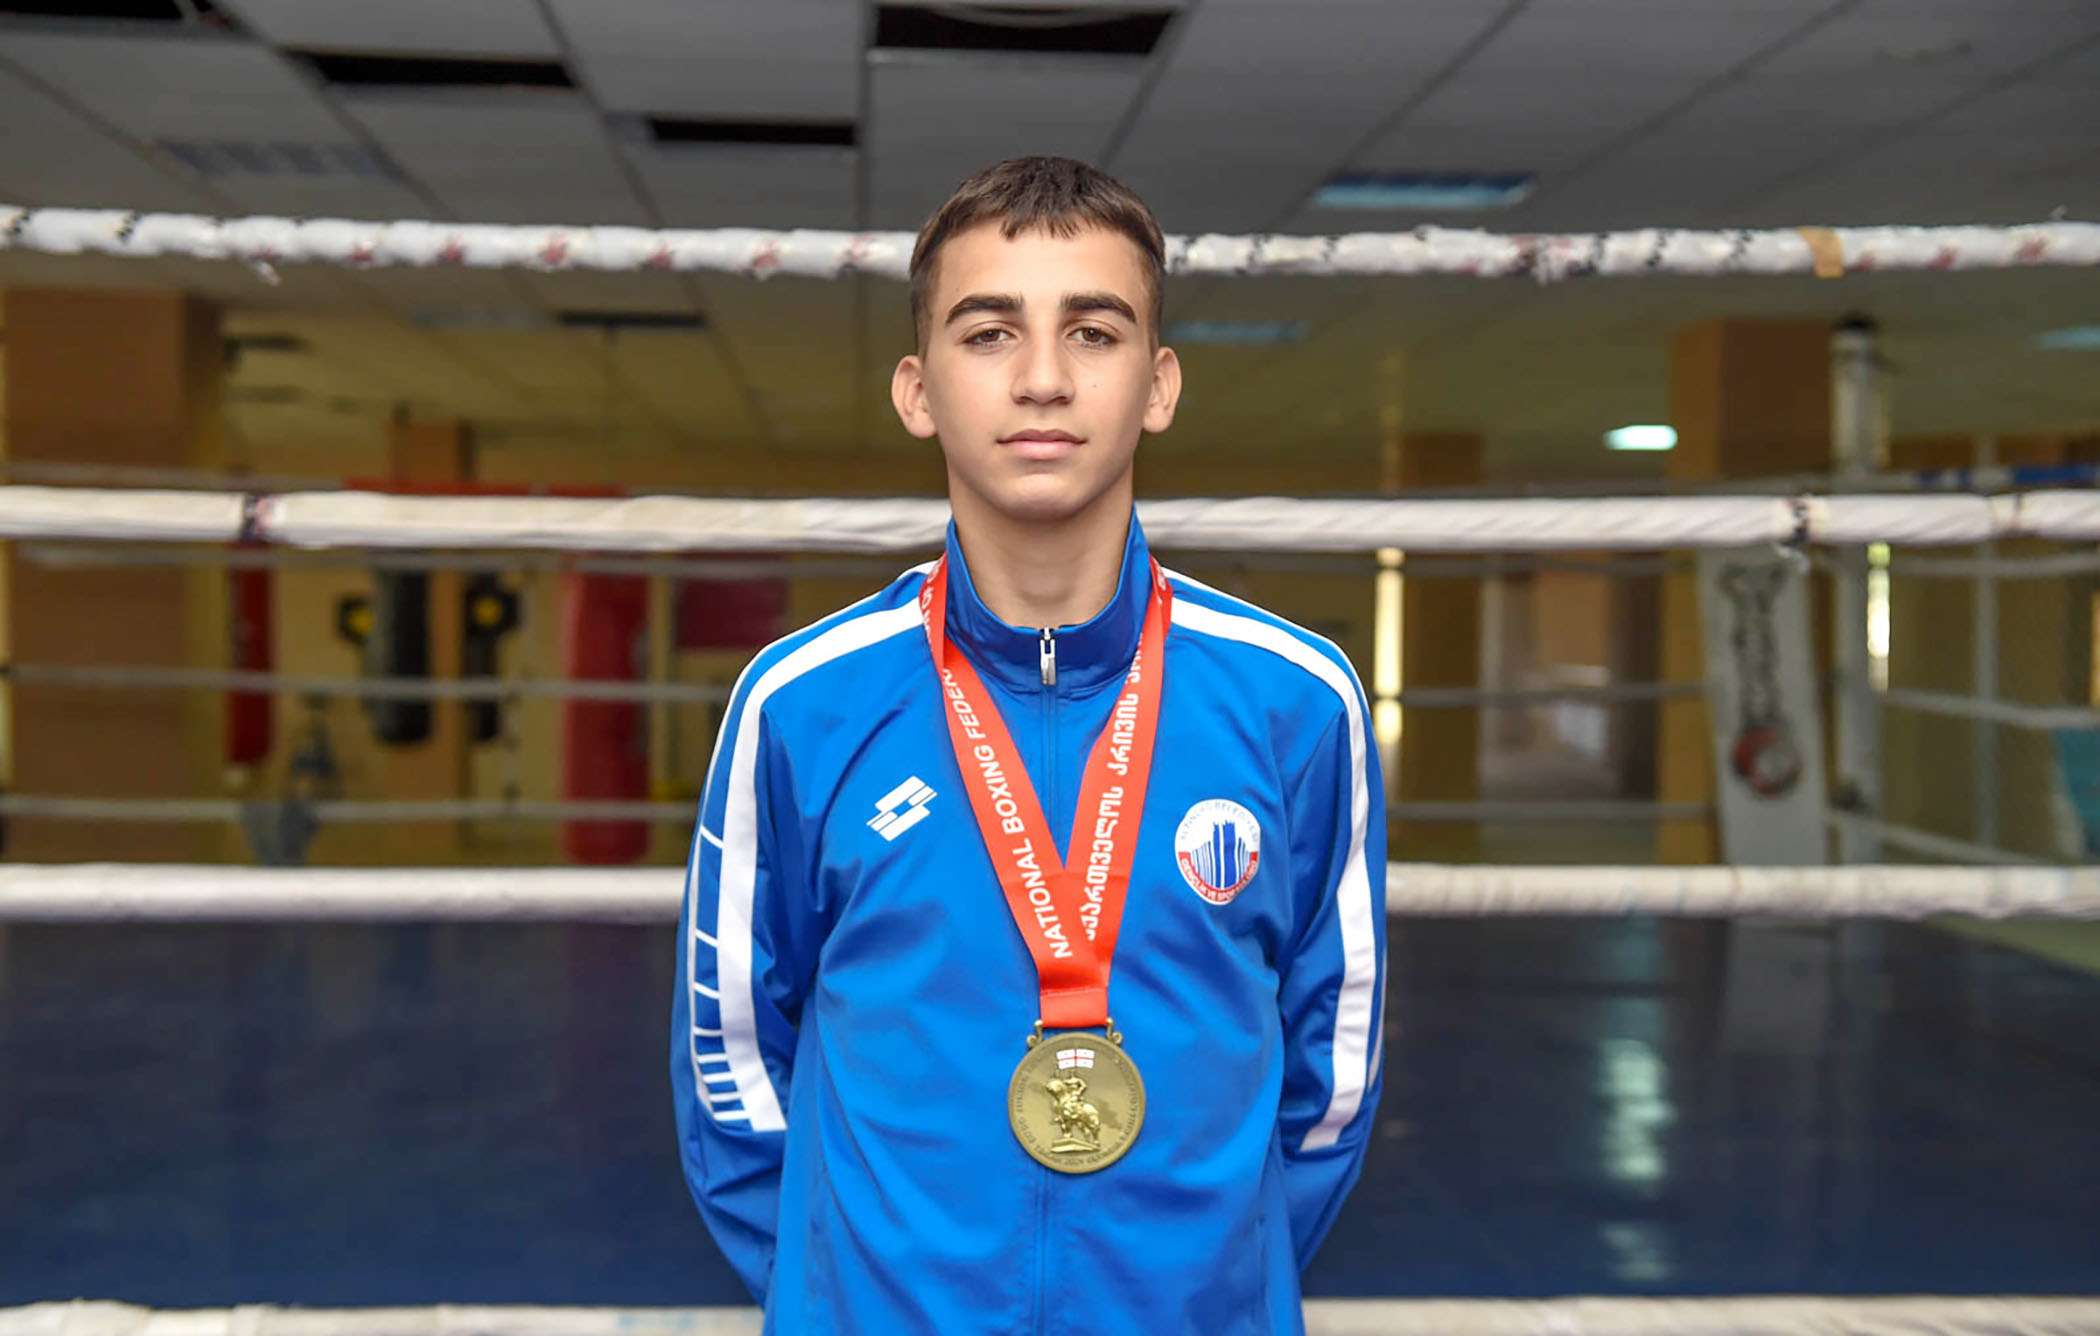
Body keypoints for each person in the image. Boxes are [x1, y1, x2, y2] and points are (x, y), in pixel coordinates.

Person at [671, 155, 1388, 1334]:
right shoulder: (802, 704)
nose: (1043, 377)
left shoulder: (1294, 700)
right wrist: (843, 1293)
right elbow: (731, 1067)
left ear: (1159, 385)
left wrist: (1208, 1284)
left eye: (1094, 333)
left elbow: (1331, 1081)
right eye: (989, 332)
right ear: (918, 390)